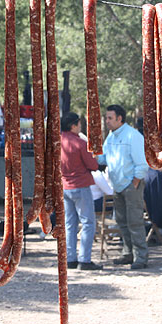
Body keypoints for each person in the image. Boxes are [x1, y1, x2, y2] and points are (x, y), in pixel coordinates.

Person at [97, 104, 150, 270]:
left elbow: (142, 163)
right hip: (117, 186)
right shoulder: (110, 138)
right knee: (122, 221)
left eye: (110, 118)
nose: (107, 121)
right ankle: (128, 253)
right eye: (106, 118)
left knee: (135, 221)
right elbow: (103, 160)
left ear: (120, 119)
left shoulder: (133, 136)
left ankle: (141, 257)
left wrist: (134, 182)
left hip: (131, 185)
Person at [60, 112, 102, 270]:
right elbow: (93, 165)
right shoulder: (80, 143)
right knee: (88, 223)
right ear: (73, 125)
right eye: (79, 124)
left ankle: (70, 258)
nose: (80, 127)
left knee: (70, 224)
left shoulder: (57, 142)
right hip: (81, 185)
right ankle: (84, 260)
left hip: (65, 186)